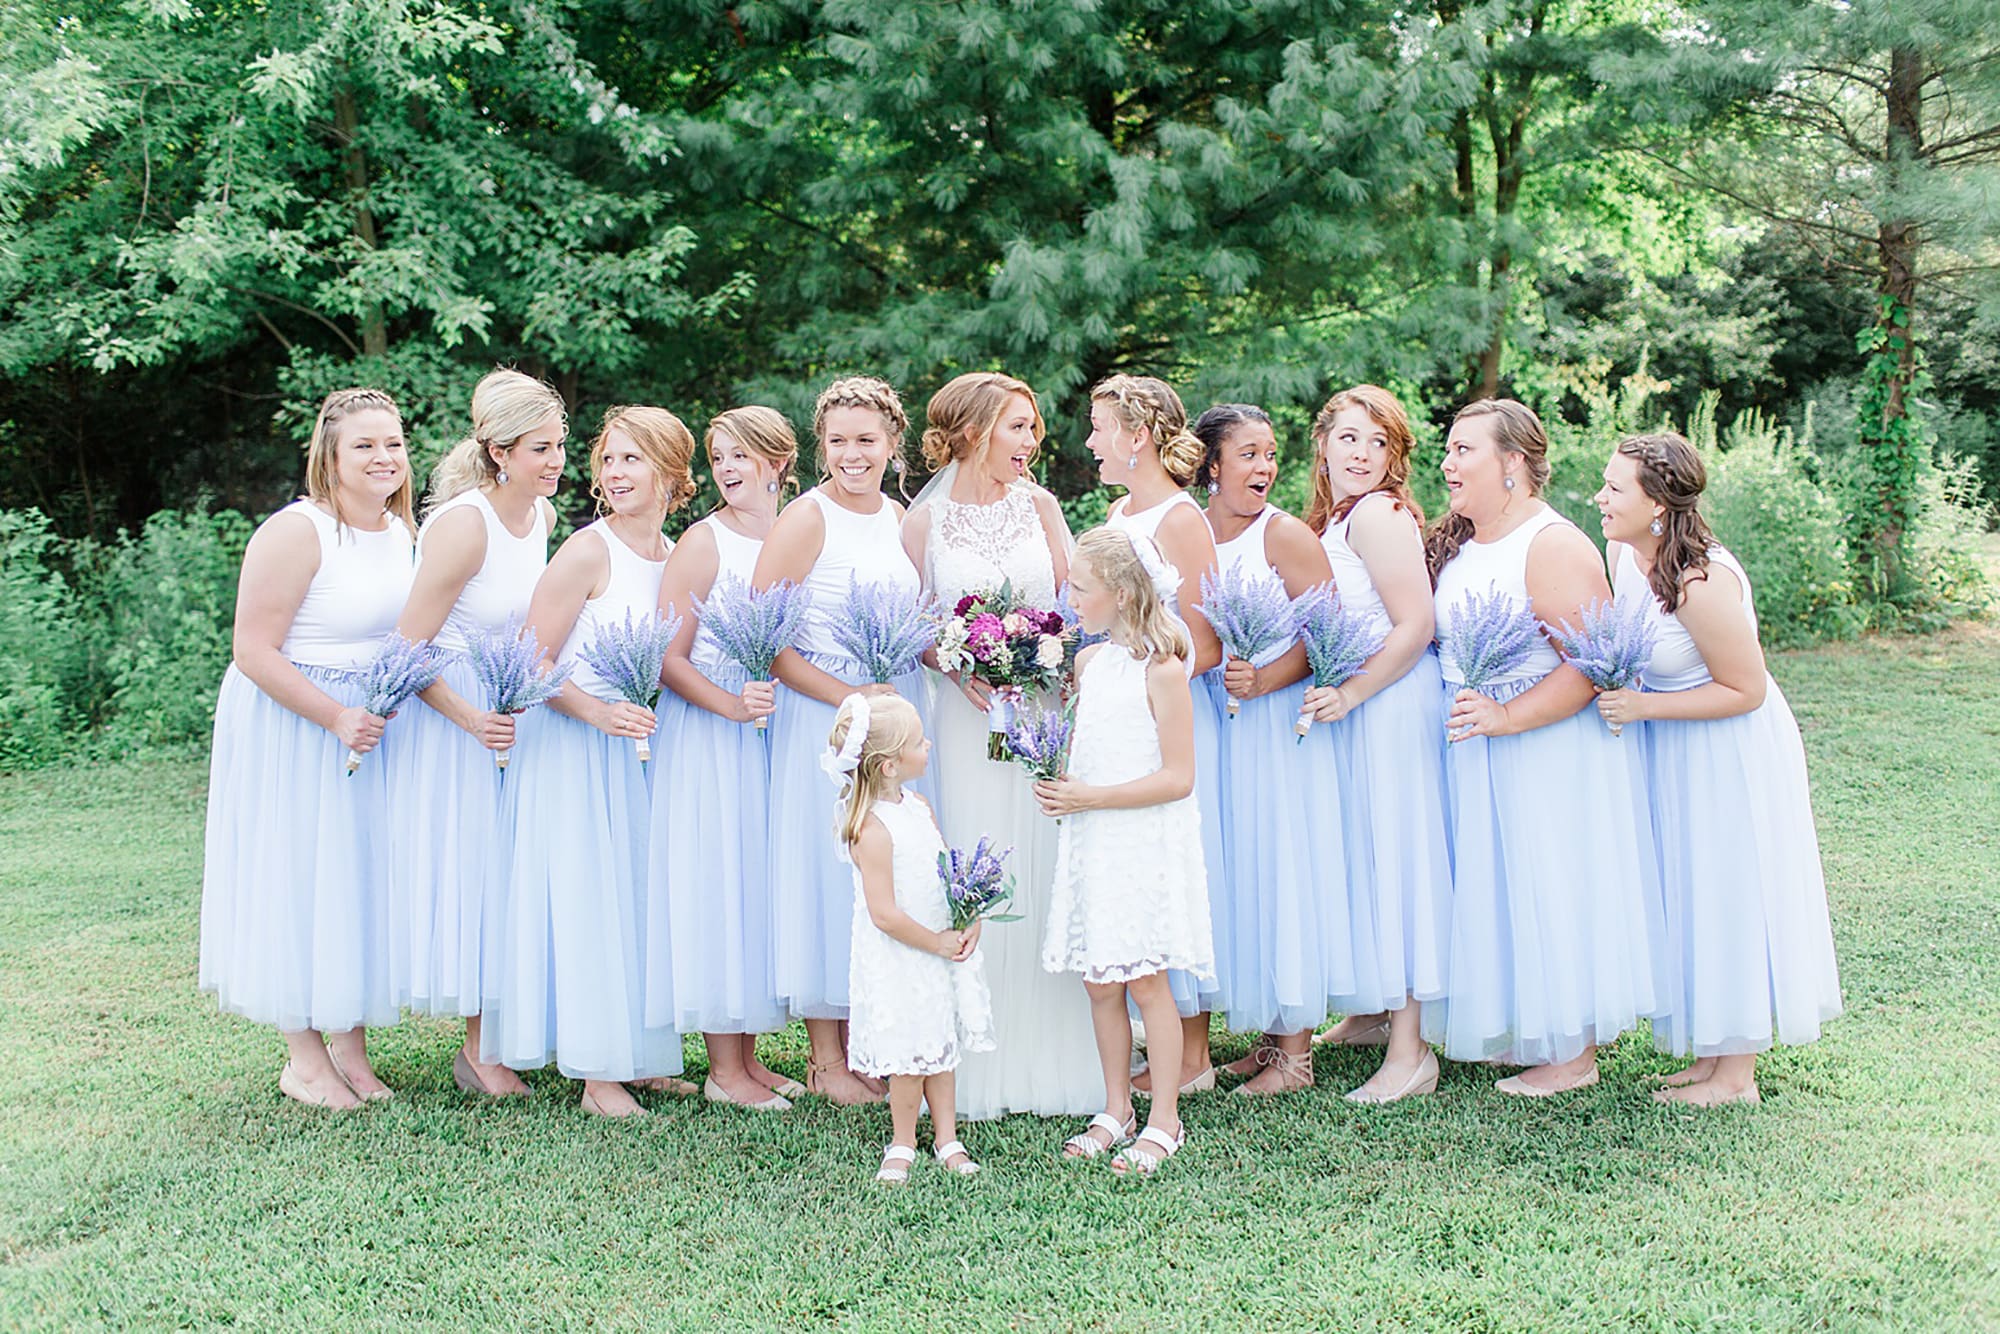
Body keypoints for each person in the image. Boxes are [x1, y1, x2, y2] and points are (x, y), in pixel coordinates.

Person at [1593, 432, 1842, 1106]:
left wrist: (1640, 704)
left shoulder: (1700, 582)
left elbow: (1747, 688)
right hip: (1672, 743)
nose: (1600, 498)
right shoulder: (1624, 555)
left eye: (1615, 489)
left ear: (1656, 504)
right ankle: (1709, 1055)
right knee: (1688, 889)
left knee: (1728, 891)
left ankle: (1736, 1076)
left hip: (1727, 749)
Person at [1425, 399, 1661, 1096]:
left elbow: (1590, 663)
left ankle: (1573, 1052)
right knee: (1505, 881)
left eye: (1465, 450)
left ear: (1514, 464)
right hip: (1480, 737)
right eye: (1449, 449)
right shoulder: (1467, 541)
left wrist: (1508, 717)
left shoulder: (1552, 543)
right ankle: (1529, 1027)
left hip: (1546, 744)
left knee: (1554, 878)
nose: (1448, 463)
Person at [198, 387, 415, 1108]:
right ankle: (303, 1058)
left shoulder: (401, 530)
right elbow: (253, 650)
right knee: (296, 872)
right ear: (330, 454)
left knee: (351, 876)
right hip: (295, 721)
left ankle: (351, 1052)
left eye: (393, 443)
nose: (384, 457)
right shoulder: (297, 531)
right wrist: (333, 715)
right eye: (365, 444)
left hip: (369, 722)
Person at [480, 406, 697, 1116]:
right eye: (608, 460)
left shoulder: (672, 556)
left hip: (641, 753)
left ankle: (641, 1052)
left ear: (670, 469)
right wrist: (598, 713)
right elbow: (527, 660)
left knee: (639, 902)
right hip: (575, 751)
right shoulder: (586, 550)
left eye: (632, 459)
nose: (614, 473)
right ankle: (599, 1075)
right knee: (590, 903)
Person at [902, 371, 1103, 1119]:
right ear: (976, 430)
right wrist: (957, 666)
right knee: (977, 856)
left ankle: (1056, 1052)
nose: (1032, 440)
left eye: (1034, 427)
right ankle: (975, 1063)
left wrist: (1051, 656)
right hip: (965, 722)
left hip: (1042, 715)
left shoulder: (1041, 505)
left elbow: (1081, 605)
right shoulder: (923, 524)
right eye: (1019, 426)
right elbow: (915, 629)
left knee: (1044, 864)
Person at [754, 375, 938, 1104]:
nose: (851, 455)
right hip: (826, 718)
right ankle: (827, 1059)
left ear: (894, 444)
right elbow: (766, 643)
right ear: (820, 445)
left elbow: (917, 622)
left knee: (886, 874)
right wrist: (851, 699)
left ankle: (875, 1041)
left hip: (897, 715)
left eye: (866, 440)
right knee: (827, 876)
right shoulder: (805, 518)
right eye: (837, 441)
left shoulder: (901, 519)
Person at [392, 368, 566, 1097]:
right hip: (456, 715)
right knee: (474, 872)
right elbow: (403, 651)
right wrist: (471, 721)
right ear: (499, 452)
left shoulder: (543, 518)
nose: (557, 461)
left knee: (512, 871)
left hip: (511, 704)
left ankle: (504, 1033)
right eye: (539, 449)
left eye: (560, 445)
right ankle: (478, 1049)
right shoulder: (466, 524)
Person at [1036, 528, 1214, 1175]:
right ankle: (1116, 1107)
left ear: (1119, 592)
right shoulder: (1089, 663)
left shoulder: (1163, 667)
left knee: (1146, 981)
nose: (1071, 597)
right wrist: (1061, 786)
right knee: (1099, 982)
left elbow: (1178, 777)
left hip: (1141, 838)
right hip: (1094, 838)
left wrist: (1092, 796)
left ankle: (1164, 1116)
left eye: (1081, 588)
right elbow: (1091, 746)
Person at [1301, 387, 1451, 1105]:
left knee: (1400, 861)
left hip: (1390, 706)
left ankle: (1410, 1052)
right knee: (1366, 855)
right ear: (1323, 444)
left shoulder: (1379, 515)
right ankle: (1369, 1014)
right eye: (1350, 439)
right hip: (1361, 704)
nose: (1362, 455)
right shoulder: (1337, 516)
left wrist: (1354, 693)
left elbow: (1415, 624)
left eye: (1378, 443)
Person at [1193, 403, 1346, 1095]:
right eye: (1249, 453)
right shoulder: (1188, 533)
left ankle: (1297, 1055)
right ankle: (1265, 1039)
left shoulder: (1285, 537)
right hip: (1213, 728)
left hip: (1278, 727)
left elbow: (1331, 641)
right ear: (1212, 463)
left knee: (1282, 867)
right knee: (1240, 870)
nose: (1266, 467)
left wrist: (1266, 678)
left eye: (1271, 454)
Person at [652, 407, 801, 1110]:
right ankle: (723, 1069)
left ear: (779, 462)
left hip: (776, 735)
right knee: (718, 884)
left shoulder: (795, 533)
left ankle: (751, 1055)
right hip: (713, 736)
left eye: (742, 455)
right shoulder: (702, 542)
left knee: (756, 887)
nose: (729, 469)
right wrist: (729, 705)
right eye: (718, 458)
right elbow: (666, 659)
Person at [1089, 374, 1227, 1096]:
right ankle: (1156, 1048)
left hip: (1162, 718)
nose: (1089, 440)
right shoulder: (1118, 512)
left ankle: (1192, 1058)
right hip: (1114, 718)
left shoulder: (1180, 519)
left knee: (1169, 873)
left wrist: (1137, 674)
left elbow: (1201, 636)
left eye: (1099, 427)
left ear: (1135, 436)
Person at [826, 692, 995, 1183]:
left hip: (939, 944)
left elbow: (944, 872)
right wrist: (934, 942)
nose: (929, 746)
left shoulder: (918, 807)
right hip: (901, 953)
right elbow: (884, 914)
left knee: (939, 1044)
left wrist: (968, 916)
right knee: (909, 1053)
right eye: (919, 742)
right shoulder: (871, 828)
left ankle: (947, 1137)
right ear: (889, 766)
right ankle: (903, 1138)